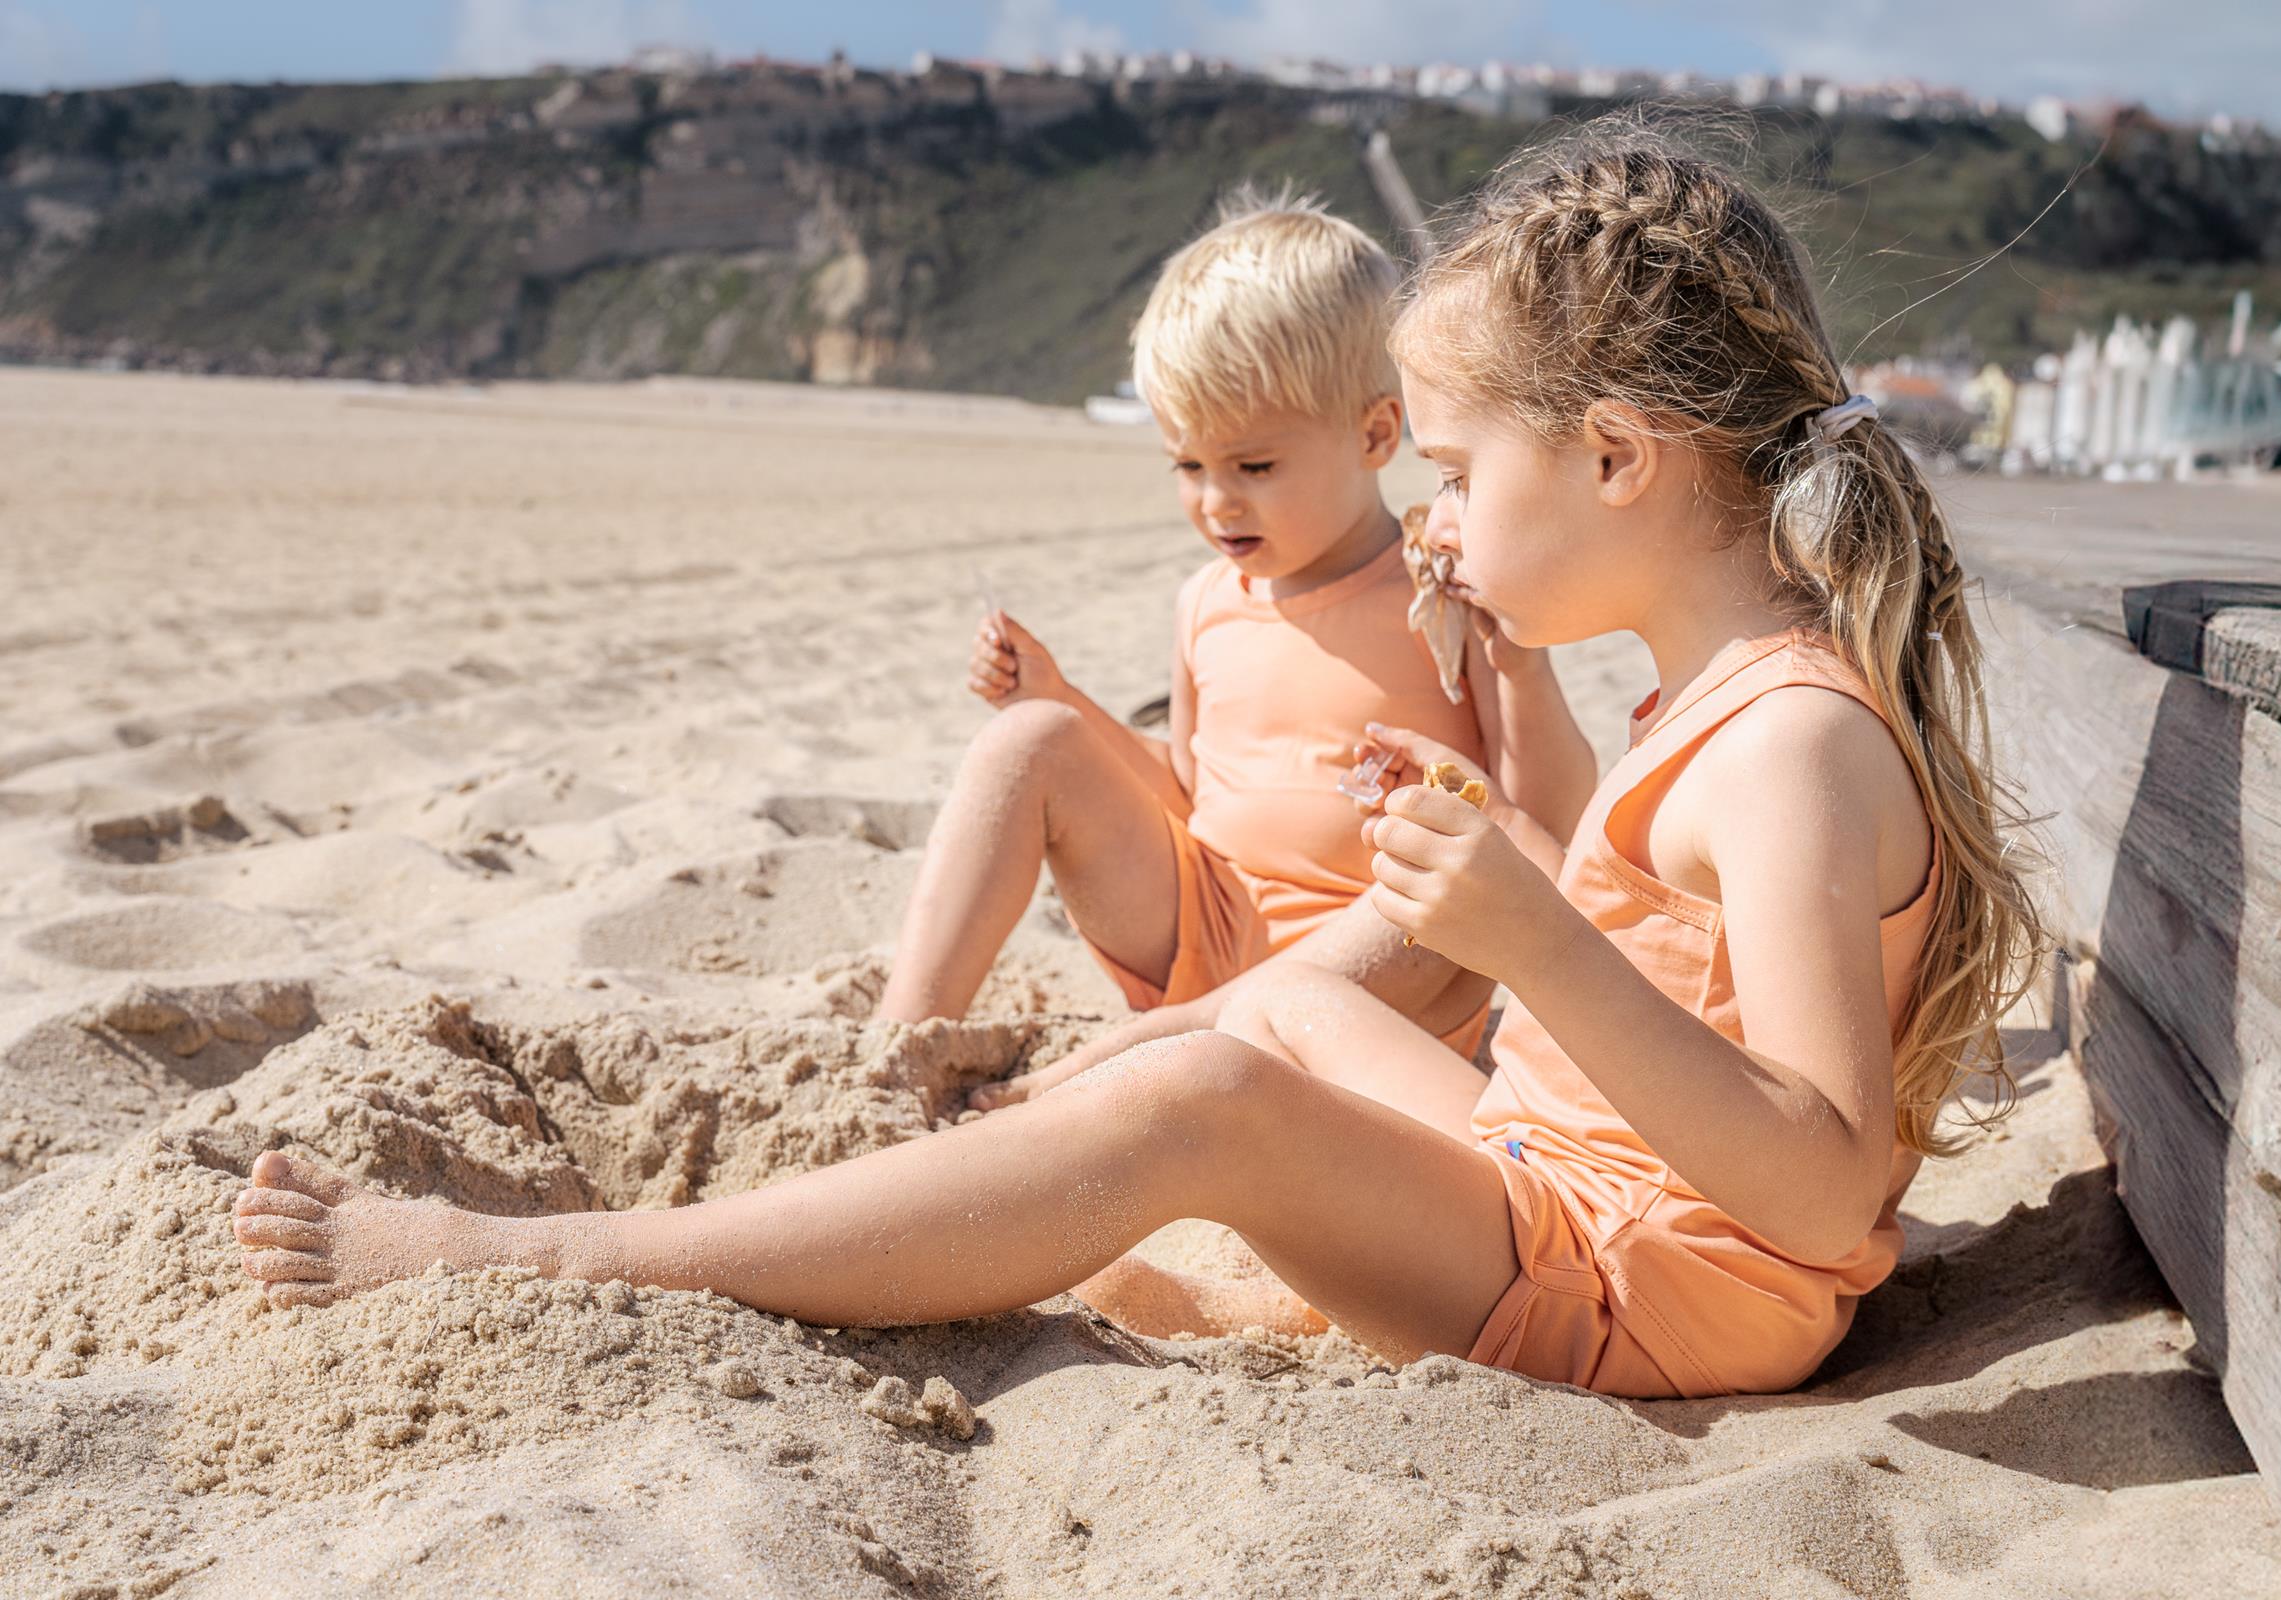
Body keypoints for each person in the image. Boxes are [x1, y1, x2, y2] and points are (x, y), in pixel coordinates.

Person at [231, 122, 2043, 1398]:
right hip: (1573, 1182)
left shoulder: (1789, 747)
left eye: (1458, 473)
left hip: (1657, 1286)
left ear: (1620, 460)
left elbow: (1822, 1185)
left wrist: (1533, 940)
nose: (1438, 517)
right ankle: (1063, 1127)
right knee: (1279, 1017)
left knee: (1208, 1108)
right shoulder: (1733, 698)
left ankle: (568, 1258)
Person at [872, 188, 1586, 1091]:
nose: (1217, 502)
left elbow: (1543, 820)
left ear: (1374, 434)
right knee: (1029, 740)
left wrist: (1518, 664)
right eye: (1189, 465)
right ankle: (897, 1040)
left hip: (1375, 973)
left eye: (1254, 466)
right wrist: (1058, 699)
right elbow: (1184, 790)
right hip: (1203, 932)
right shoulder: (1206, 600)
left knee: (1441, 868)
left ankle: (1165, 1046)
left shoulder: (1440, 590)